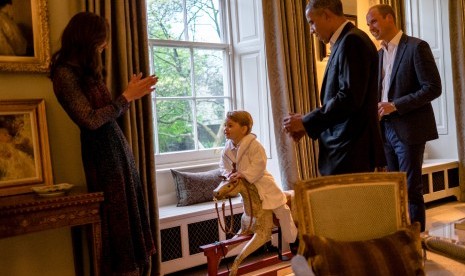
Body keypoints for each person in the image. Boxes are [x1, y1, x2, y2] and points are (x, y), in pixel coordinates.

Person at [49, 12, 157, 275]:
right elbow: (90, 120)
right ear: (87, 39)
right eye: (102, 40)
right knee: (116, 224)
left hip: (117, 150)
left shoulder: (88, 71)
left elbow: (109, 113)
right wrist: (125, 97)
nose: (105, 45)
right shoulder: (64, 74)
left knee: (130, 216)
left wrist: (128, 97)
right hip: (102, 156)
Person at [283, 0, 385, 176]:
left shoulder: (352, 40)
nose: (311, 30)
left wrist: (307, 122)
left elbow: (349, 98)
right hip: (346, 151)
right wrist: (306, 125)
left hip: (351, 152)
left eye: (312, 22)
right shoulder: (344, 41)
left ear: (326, 15)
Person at [366, 4, 442, 231]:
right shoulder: (378, 55)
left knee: (411, 188)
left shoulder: (417, 47)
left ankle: (416, 242)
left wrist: (396, 106)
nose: (371, 27)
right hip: (385, 130)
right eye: (369, 24)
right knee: (394, 189)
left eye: (374, 21)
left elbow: (432, 88)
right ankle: (400, 237)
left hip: (410, 129)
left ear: (389, 18)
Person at [220, 110, 298, 245]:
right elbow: (223, 165)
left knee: (281, 208)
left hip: (262, 182)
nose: (225, 128)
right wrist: (228, 174)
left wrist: (244, 174)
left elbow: (259, 164)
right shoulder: (227, 149)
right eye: (225, 125)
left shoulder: (254, 145)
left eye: (230, 125)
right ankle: (262, 233)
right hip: (245, 185)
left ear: (243, 129)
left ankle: (292, 238)